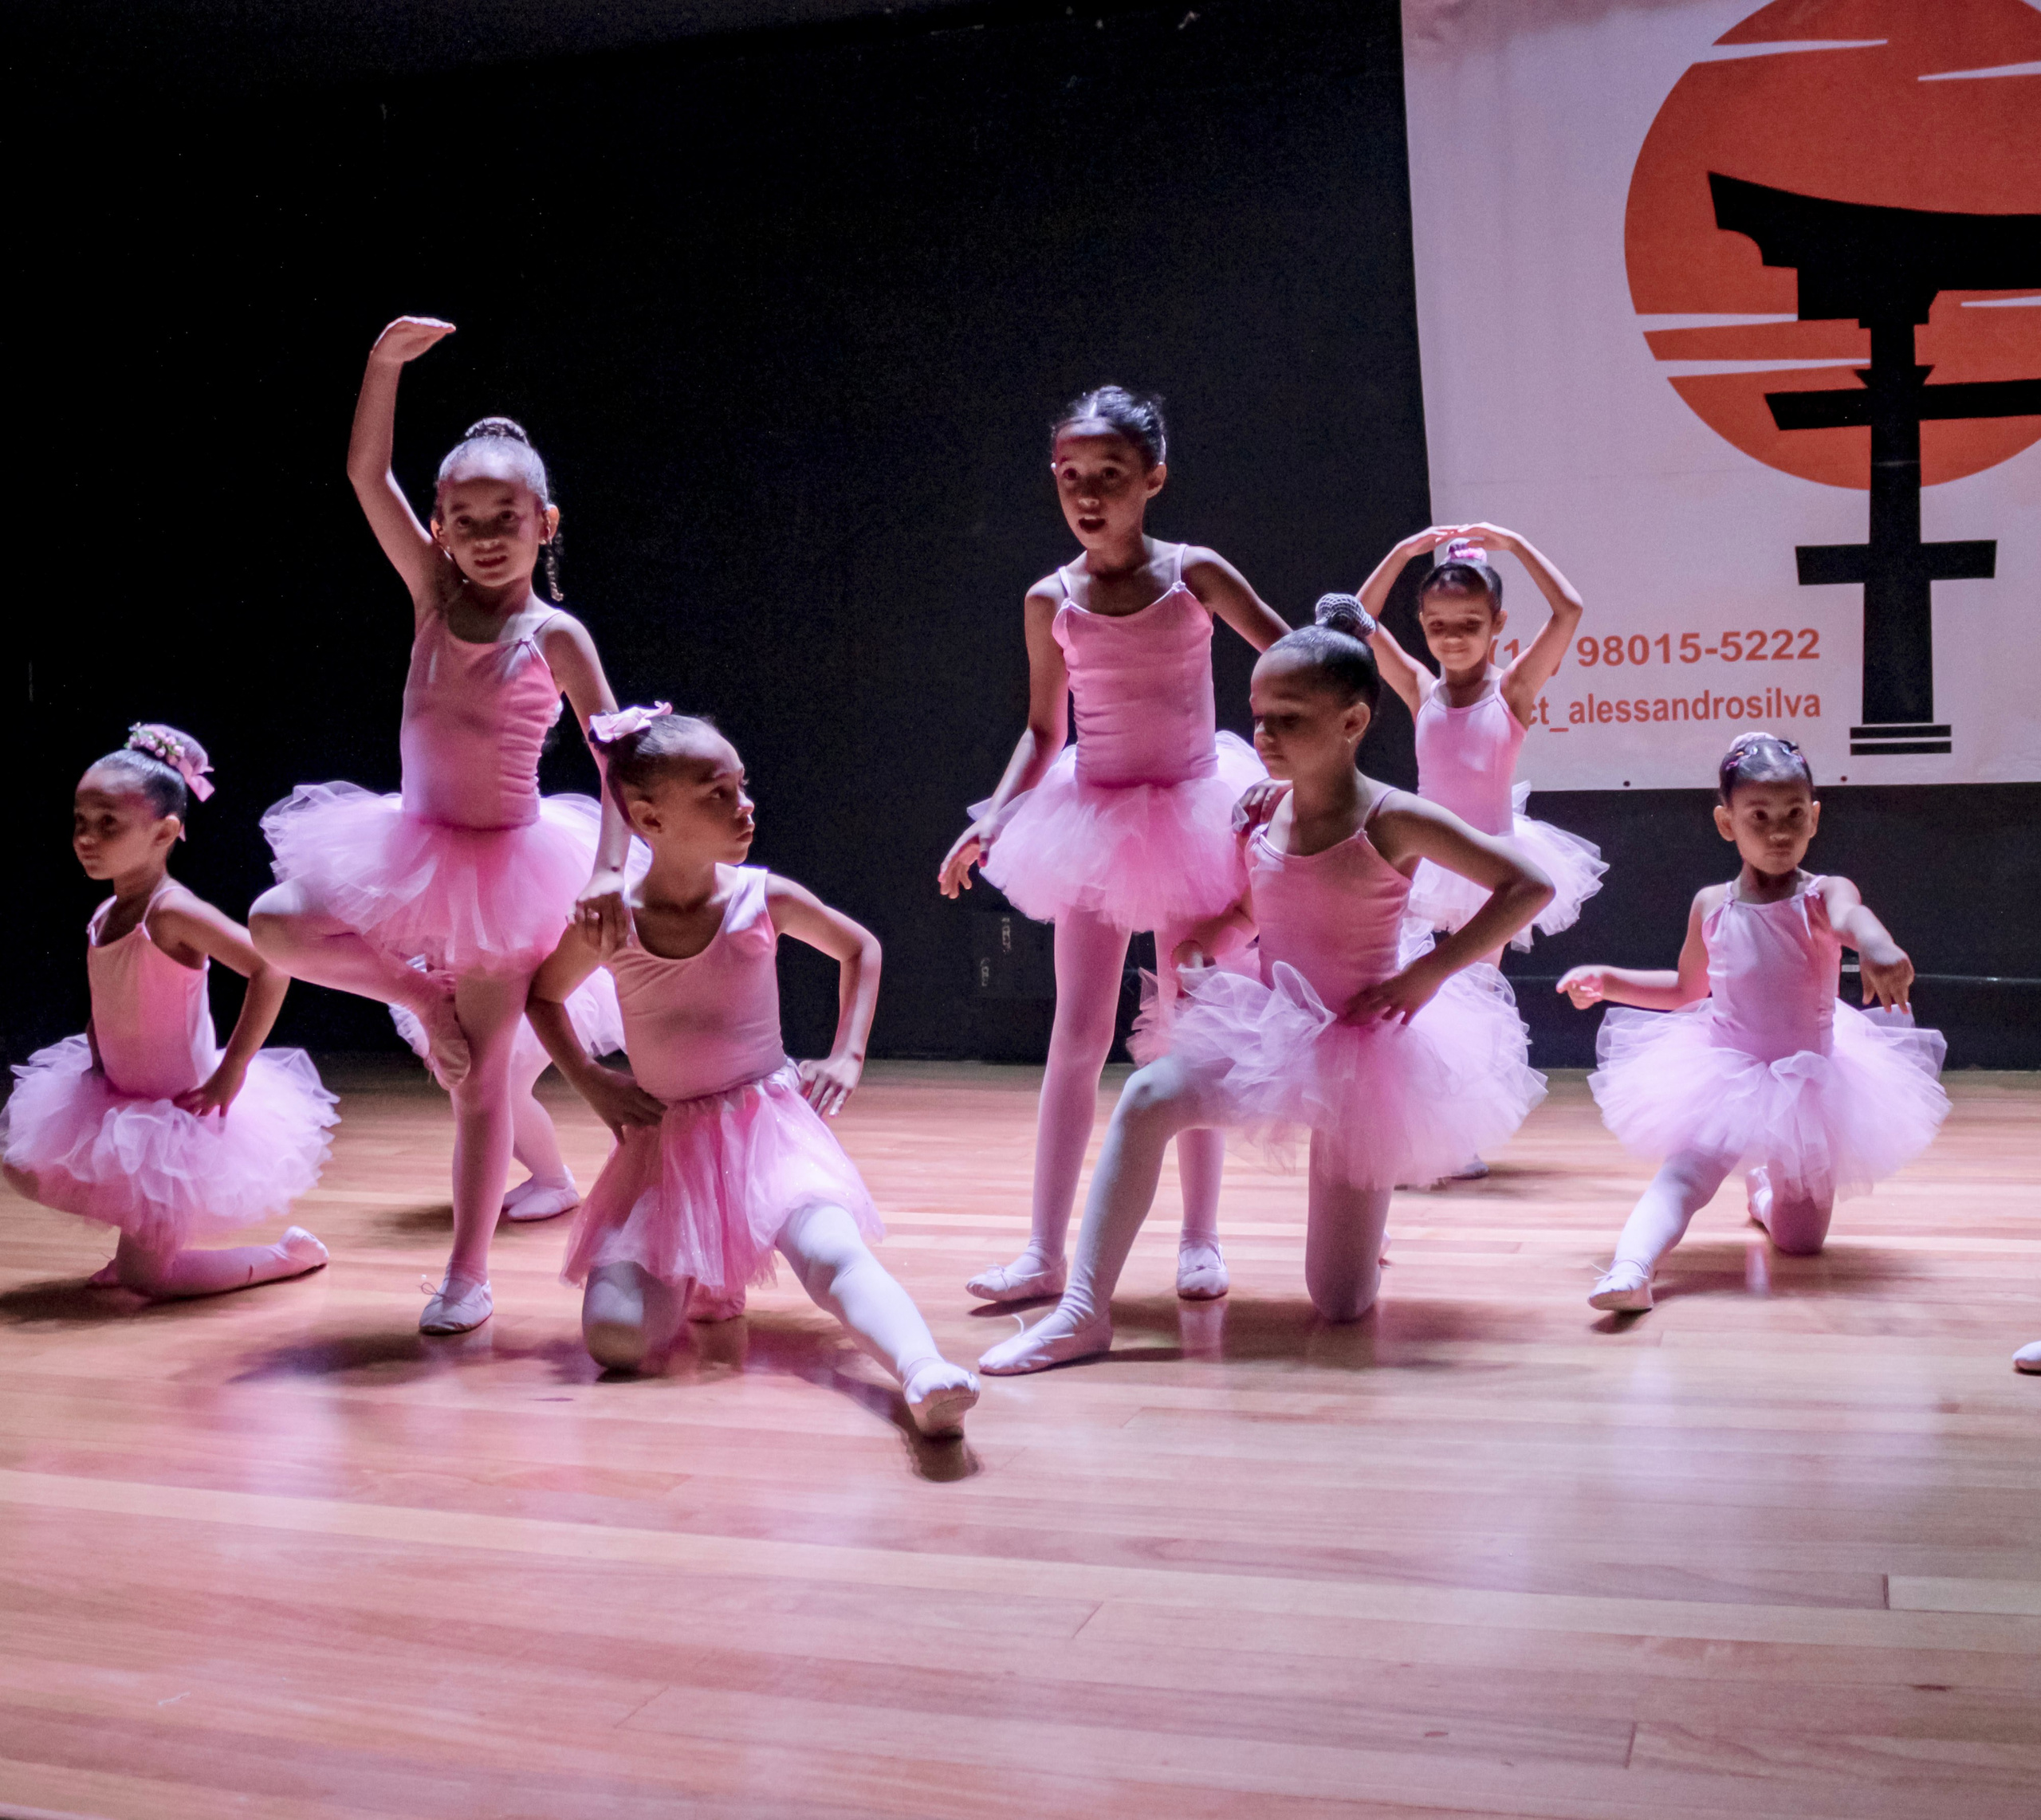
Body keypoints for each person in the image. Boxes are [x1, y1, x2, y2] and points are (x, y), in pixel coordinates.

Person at [979, 599, 1551, 1375]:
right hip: (1272, 1033)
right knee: (1148, 1097)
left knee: (1339, 1303)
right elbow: (1253, 905)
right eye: (1257, 717)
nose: (1264, 736)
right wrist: (1209, 947)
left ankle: (1359, 1231)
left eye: (1288, 719)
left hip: (1361, 1060)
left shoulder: (1394, 819)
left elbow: (1525, 884)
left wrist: (1427, 975)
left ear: (1352, 724)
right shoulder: (1259, 813)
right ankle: (1083, 1310)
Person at [250, 317, 633, 1335]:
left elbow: (618, 761)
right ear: (440, 522)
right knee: (276, 923)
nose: (482, 533)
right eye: (463, 516)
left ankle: (468, 1275)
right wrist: (380, 365)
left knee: (479, 1080)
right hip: (407, 848)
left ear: (545, 524)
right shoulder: (430, 594)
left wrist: (604, 873)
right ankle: (419, 1004)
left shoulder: (552, 633)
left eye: (505, 514)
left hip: (506, 871)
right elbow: (365, 475)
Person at [530, 707, 980, 1437]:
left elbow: (859, 948)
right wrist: (589, 1078)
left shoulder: (758, 897)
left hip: (763, 1126)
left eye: (743, 787)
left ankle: (922, 1370)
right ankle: (704, 1281)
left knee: (832, 1254)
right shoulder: (614, 924)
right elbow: (543, 994)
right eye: (718, 793)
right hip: (664, 1143)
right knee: (616, 1341)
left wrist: (848, 1053)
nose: (746, 805)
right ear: (649, 818)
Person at [938, 387, 1290, 1307]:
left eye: (1110, 477)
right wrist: (995, 815)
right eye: (1070, 479)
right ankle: (1043, 1251)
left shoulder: (1194, 574)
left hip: (1191, 813)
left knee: (1188, 1031)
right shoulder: (1049, 598)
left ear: (1154, 479)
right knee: (1077, 1035)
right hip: (1090, 820)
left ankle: (1200, 1237)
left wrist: (1288, 762)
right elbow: (1041, 730)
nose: (1088, 495)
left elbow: (1290, 661)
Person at [1560, 732, 1949, 1313]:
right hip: (1724, 1072)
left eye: (1794, 814)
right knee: (1683, 1177)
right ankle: (1631, 1269)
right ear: (1727, 823)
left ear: (1815, 817)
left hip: (1808, 1083)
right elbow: (1689, 988)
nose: (1779, 831)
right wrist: (1611, 980)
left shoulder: (1823, 894)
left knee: (1800, 1242)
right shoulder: (1712, 905)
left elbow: (1852, 917)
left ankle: (1764, 1194)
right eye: (1759, 817)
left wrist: (1877, 943)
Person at [2, 726, 334, 1297]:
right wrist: (97, 1046)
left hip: (178, 1114)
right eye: (81, 821)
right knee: (21, 1166)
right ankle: (142, 1237)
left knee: (145, 1282)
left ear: (165, 832)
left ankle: (284, 1256)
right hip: (120, 1098)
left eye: (109, 824)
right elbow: (113, 993)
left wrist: (233, 1068)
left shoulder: (172, 912)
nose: (87, 837)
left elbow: (270, 968)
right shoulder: (108, 909)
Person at [1357, 525, 1604, 965]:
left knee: (1479, 992)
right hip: (1423, 859)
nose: (1453, 638)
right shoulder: (1421, 689)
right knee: (1401, 975)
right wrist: (1401, 551)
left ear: (1498, 623)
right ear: (1422, 623)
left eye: (1470, 624)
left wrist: (1515, 544)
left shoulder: (1513, 690)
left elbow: (1568, 610)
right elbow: (1358, 619)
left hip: (1491, 860)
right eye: (1438, 625)